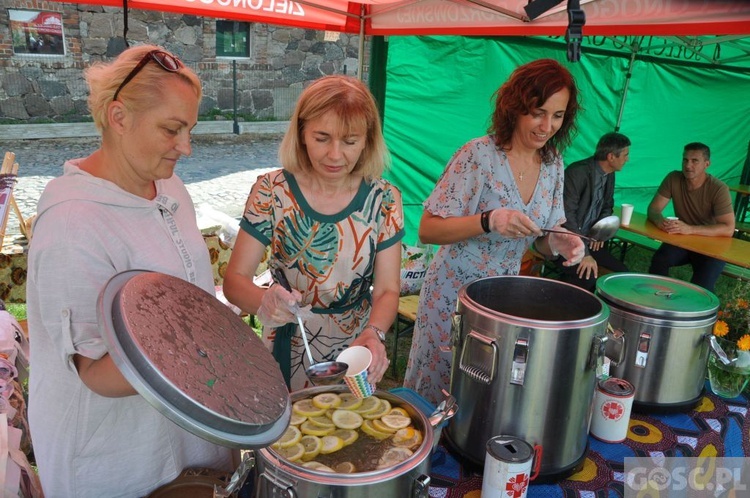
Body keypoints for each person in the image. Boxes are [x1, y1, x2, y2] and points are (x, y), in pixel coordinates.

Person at [26, 44, 234, 497]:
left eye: (189, 129)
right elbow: (97, 374)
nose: (186, 147)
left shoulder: (169, 185)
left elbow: (189, 287)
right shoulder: (73, 224)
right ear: (119, 118)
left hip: (188, 426)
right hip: (116, 453)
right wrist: (213, 349)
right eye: (171, 129)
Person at [402, 59, 586, 404]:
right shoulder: (478, 156)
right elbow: (427, 230)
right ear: (516, 107)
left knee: (481, 386)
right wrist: (488, 220)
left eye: (558, 116)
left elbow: (541, 239)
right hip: (451, 295)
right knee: (440, 380)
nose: (547, 126)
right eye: (538, 112)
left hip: (503, 296)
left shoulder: (553, 163)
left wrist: (559, 239)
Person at [222, 75, 404, 392]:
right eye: (322, 138)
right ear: (302, 132)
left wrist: (374, 333)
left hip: (357, 347)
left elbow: (387, 289)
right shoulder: (271, 191)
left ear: (367, 140)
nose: (335, 155)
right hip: (285, 342)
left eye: (349, 141)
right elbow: (235, 282)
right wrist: (265, 301)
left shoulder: (384, 199)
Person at [647, 142, 735, 292]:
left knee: (700, 289)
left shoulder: (719, 188)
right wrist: (660, 221)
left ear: (707, 164)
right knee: (659, 260)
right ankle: (658, 300)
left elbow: (728, 228)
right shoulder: (673, 178)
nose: (688, 165)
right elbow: (653, 209)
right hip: (684, 240)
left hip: (713, 245)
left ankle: (702, 313)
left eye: (695, 161)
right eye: (685, 160)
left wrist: (690, 229)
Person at [555, 132, 631, 291]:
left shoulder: (609, 174)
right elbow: (567, 216)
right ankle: (570, 307)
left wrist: (600, 232)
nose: (627, 159)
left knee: (622, 274)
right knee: (587, 278)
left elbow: (607, 205)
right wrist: (585, 253)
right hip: (566, 240)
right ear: (611, 157)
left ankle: (608, 312)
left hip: (590, 239)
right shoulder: (577, 172)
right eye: (625, 155)